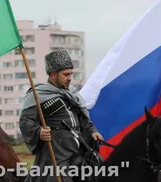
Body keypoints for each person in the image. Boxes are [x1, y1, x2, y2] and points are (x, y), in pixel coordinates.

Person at [19, 49, 103, 182]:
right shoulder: (37, 94)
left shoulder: (73, 94)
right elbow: (25, 122)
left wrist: (93, 131)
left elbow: (83, 121)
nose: (70, 78)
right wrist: (39, 131)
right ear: (53, 74)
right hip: (56, 156)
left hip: (79, 154)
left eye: (71, 74)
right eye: (66, 74)